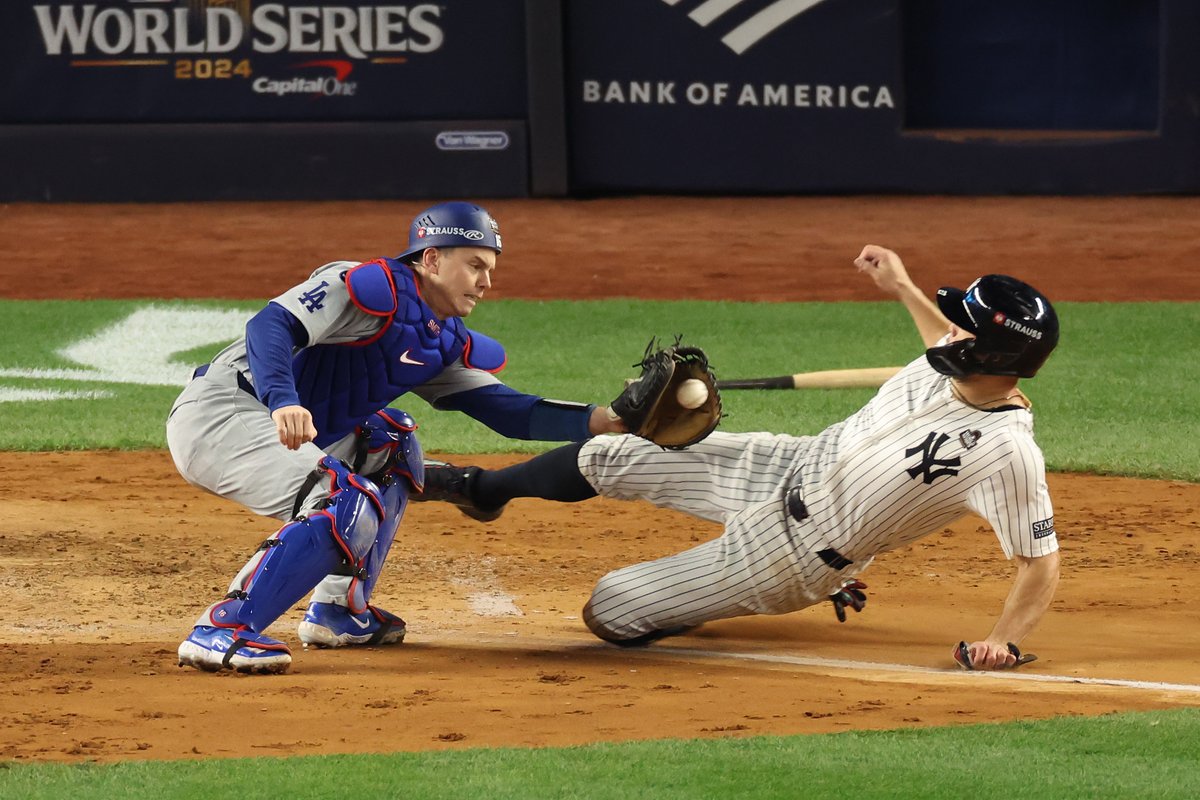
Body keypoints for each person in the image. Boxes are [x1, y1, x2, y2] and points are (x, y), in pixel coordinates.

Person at [421, 245, 1062, 671]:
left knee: (610, 609)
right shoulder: (949, 364)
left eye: (965, 329)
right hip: (787, 463)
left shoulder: (1006, 454)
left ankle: (719, 599)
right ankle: (483, 490)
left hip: (795, 554)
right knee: (613, 450)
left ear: (992, 359)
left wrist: (1002, 640)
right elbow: (937, 335)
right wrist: (901, 285)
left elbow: (1040, 563)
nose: (949, 331)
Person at [166, 201, 624, 674]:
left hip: (282, 426)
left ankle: (340, 611)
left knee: (392, 445)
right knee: (345, 498)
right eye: (474, 265)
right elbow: (271, 324)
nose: (486, 282)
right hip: (224, 413)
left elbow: (506, 409)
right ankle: (223, 629)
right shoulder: (361, 285)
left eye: (490, 269)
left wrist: (608, 419)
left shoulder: (439, 339)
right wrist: (283, 399)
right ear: (431, 259)